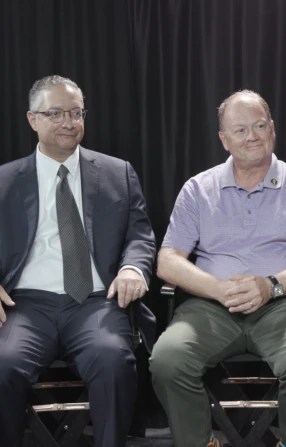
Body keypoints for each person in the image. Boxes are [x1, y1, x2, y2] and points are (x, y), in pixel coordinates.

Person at [150, 90, 286, 447]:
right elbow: (168, 260)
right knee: (168, 360)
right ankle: (201, 443)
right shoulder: (197, 189)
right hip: (210, 307)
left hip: (282, 306)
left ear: (273, 129)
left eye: (259, 126)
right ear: (224, 139)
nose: (252, 136)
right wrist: (217, 289)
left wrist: (271, 285)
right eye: (240, 130)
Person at [0, 75, 156, 447]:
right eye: (55, 113)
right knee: (3, 364)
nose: (69, 122)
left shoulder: (117, 173)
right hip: (25, 305)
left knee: (113, 361)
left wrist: (133, 268)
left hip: (95, 303)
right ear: (32, 119)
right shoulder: (5, 180)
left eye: (76, 112)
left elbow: (140, 234)